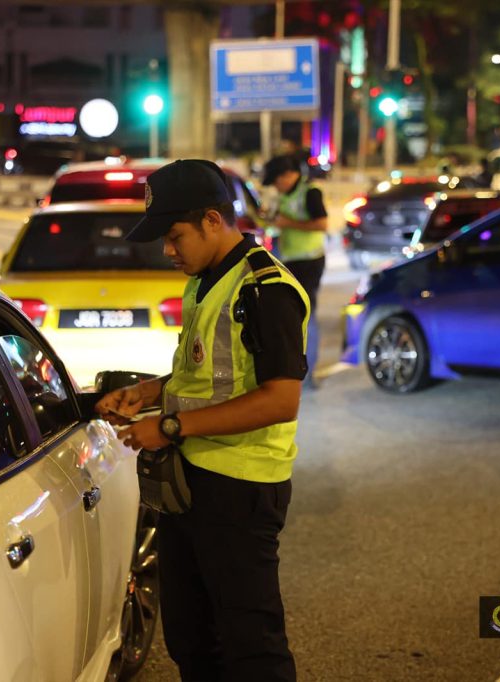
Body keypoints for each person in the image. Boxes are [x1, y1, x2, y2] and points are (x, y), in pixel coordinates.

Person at [96, 159, 308, 681]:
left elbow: (282, 399)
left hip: (240, 490)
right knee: (191, 640)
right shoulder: (203, 282)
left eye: (175, 235)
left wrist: (168, 428)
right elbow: (199, 378)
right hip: (189, 485)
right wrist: (145, 393)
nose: (168, 250)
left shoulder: (265, 290)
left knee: (252, 649)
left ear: (214, 220)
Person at [262, 153, 328, 388]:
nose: (276, 187)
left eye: (277, 181)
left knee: (307, 316)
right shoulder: (285, 194)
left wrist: (287, 223)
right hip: (289, 261)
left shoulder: (311, 192)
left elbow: (323, 224)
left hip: (309, 263)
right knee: (290, 316)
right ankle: (293, 366)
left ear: (289, 175)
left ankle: (309, 374)